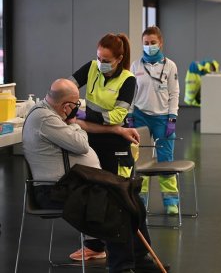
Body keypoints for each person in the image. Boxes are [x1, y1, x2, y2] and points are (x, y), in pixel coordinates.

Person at [23, 79, 164, 273]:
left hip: (73, 185)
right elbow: (80, 143)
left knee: (130, 197)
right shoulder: (45, 119)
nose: (77, 109)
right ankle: (121, 268)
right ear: (66, 106)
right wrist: (74, 124)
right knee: (116, 208)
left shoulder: (54, 114)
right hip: (54, 190)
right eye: (75, 105)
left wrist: (71, 123)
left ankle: (139, 260)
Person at [68, 33, 164, 272]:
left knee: (126, 200)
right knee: (96, 197)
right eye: (99, 56)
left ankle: (142, 258)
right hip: (92, 146)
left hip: (117, 150)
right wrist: (73, 103)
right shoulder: (91, 68)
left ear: (120, 59)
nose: (100, 62)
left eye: (106, 59)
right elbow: (69, 88)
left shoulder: (128, 80)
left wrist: (81, 114)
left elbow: (116, 117)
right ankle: (97, 246)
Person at [129, 26, 180, 215]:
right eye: (146, 43)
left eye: (153, 43)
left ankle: (171, 201)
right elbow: (131, 93)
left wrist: (172, 117)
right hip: (140, 116)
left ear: (160, 43)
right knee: (140, 160)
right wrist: (130, 115)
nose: (149, 46)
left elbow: (174, 93)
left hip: (163, 118)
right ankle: (140, 200)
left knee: (165, 160)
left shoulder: (170, 66)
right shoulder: (136, 66)